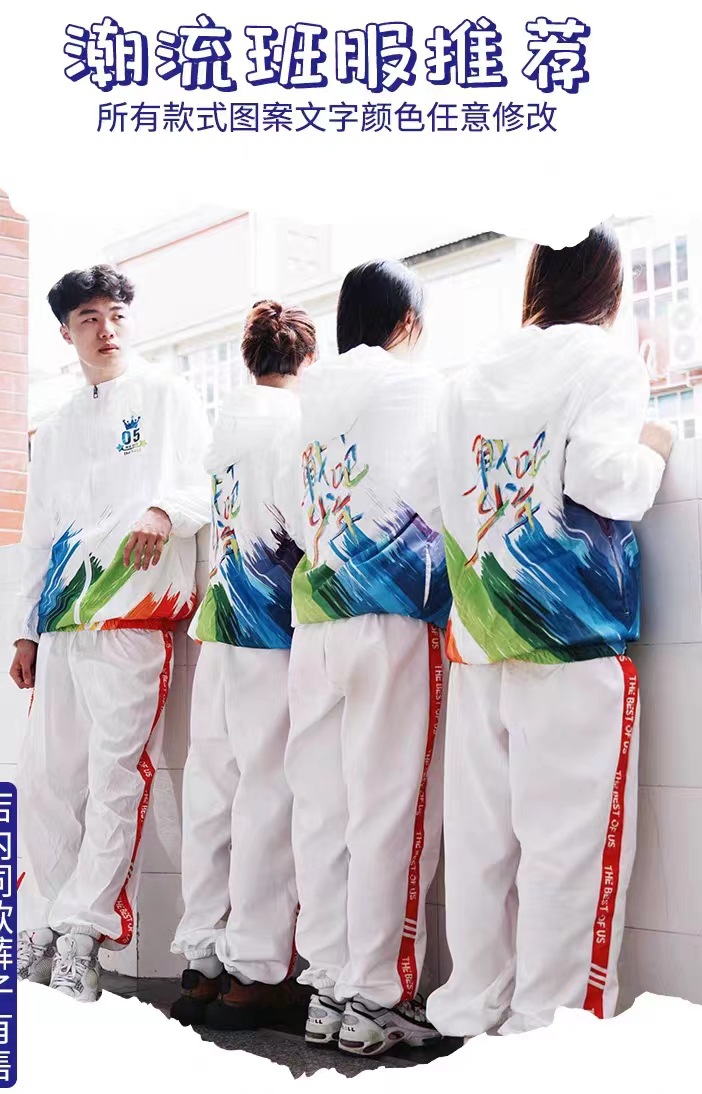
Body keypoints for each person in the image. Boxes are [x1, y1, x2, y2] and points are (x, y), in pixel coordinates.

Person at [426, 225, 675, 1038]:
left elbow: (437, 496)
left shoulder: (470, 377)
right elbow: (606, 480)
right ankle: (546, 1039)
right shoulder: (605, 361)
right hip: (569, 640)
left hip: (478, 639)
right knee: (565, 851)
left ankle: (470, 1016)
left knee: (482, 847)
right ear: (608, 285)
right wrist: (655, 448)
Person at [11, 265, 211, 1002]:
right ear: (67, 333)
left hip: (133, 618)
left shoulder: (168, 397)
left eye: (116, 314)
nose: (107, 329)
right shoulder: (56, 428)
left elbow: (204, 482)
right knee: (46, 782)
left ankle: (83, 934)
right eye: (89, 318)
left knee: (113, 778)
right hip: (63, 625)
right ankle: (44, 921)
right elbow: (37, 534)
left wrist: (165, 511)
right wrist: (25, 632)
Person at [284, 260, 452, 1056]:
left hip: (315, 621)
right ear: (408, 322)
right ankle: (376, 996)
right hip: (392, 616)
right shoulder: (419, 386)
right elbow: (445, 486)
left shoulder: (307, 400)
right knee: (388, 808)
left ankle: (325, 988)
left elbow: (293, 510)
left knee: (321, 812)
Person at [170, 301, 316, 1030]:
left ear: (249, 360)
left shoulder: (224, 429)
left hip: (220, 626)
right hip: (270, 629)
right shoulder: (296, 424)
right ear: (307, 361)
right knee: (268, 794)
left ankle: (202, 962)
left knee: (212, 791)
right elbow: (305, 525)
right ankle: (255, 972)